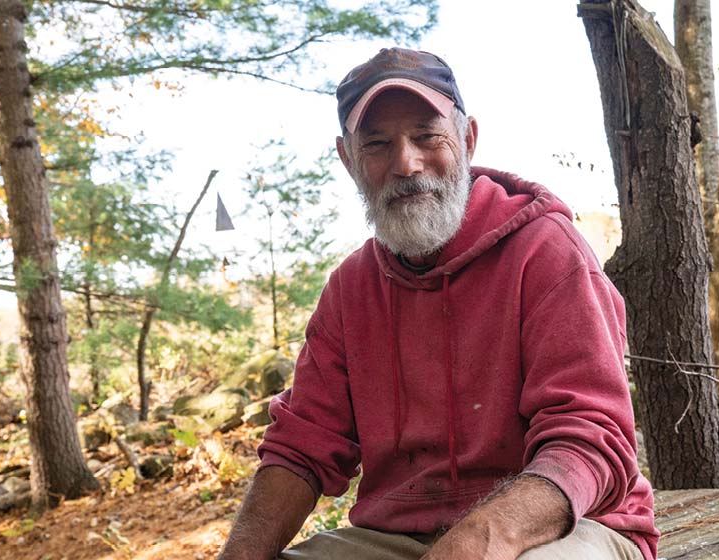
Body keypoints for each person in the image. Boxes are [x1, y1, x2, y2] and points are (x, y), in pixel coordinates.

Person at [219, 47, 659, 560]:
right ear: (349, 160)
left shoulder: (547, 252)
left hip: (568, 527)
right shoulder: (350, 287)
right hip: (398, 538)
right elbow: (301, 447)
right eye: (377, 144)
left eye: (427, 136)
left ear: (467, 139)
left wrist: (477, 540)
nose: (406, 164)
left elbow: (589, 439)